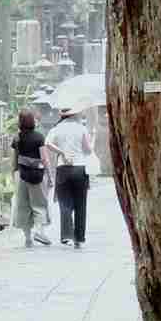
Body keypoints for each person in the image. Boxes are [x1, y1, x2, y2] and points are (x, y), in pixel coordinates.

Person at [44, 106, 95, 248]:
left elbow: (47, 143)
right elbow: (88, 150)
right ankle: (79, 238)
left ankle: (67, 235)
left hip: (63, 169)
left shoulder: (56, 128)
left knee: (65, 204)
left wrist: (62, 153)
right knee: (80, 204)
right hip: (80, 168)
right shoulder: (81, 128)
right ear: (74, 115)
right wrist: (93, 140)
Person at [11, 110, 52, 247]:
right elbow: (44, 159)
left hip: (22, 175)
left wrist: (13, 174)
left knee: (23, 206)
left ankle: (28, 238)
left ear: (20, 122)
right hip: (37, 176)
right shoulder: (39, 137)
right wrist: (50, 176)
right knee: (39, 205)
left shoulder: (16, 138)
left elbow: (14, 159)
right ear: (32, 121)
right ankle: (39, 231)